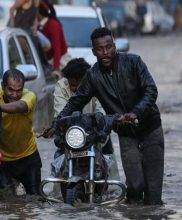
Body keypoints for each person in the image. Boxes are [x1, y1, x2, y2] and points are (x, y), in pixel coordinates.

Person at [53, 27, 164, 205]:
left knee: (153, 193)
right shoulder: (93, 76)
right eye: (100, 49)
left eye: (109, 47)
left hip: (151, 128)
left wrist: (135, 112)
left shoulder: (134, 62)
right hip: (126, 133)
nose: (105, 52)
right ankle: (134, 213)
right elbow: (76, 102)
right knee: (135, 185)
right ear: (93, 51)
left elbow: (151, 90)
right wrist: (56, 123)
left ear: (114, 46)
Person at [52, 57, 118, 181]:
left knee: (107, 151)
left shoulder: (97, 83)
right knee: (60, 156)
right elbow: (60, 112)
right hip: (71, 134)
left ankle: (110, 186)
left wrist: (100, 121)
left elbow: (101, 110)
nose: (77, 90)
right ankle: (60, 187)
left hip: (94, 132)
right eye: (73, 86)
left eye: (80, 85)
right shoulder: (61, 86)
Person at [0, 69, 41, 195]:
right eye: (10, 90)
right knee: (5, 201)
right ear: (3, 86)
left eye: (18, 91)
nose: (14, 95)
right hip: (2, 160)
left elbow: (19, 107)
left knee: (35, 199)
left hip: (28, 156)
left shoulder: (29, 96)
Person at [38, 1, 70, 80]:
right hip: (48, 63)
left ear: (38, 12)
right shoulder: (39, 26)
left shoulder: (53, 24)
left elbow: (57, 49)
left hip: (60, 62)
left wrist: (56, 69)